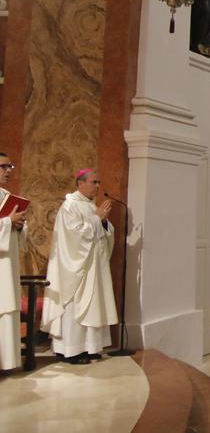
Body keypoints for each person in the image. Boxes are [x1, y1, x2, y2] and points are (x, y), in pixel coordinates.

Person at [41, 169, 118, 364]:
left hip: (94, 266)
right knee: (76, 306)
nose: (98, 186)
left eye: (99, 182)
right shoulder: (70, 206)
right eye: (94, 182)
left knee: (93, 304)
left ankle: (90, 347)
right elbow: (73, 237)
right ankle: (71, 350)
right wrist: (97, 219)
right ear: (80, 184)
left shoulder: (91, 206)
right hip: (76, 269)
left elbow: (100, 231)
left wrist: (105, 223)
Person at [0, 154, 27, 371]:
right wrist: (8, 222)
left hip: (6, 264)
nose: (9, 170)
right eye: (3, 166)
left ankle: (6, 363)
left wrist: (18, 226)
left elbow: (13, 230)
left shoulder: (7, 195)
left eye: (10, 166)